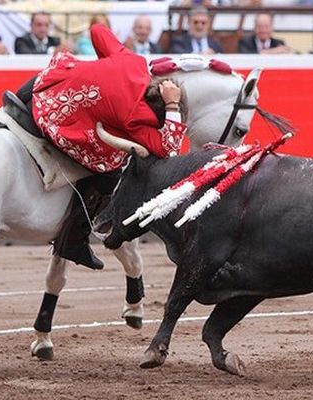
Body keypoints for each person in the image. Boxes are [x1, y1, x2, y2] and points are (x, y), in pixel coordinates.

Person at [14, 23, 187, 270]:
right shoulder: (137, 118)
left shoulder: (133, 61)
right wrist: (173, 107)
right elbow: (170, 150)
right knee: (110, 169)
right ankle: (73, 239)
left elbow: (96, 30)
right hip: (54, 119)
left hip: (42, 85)